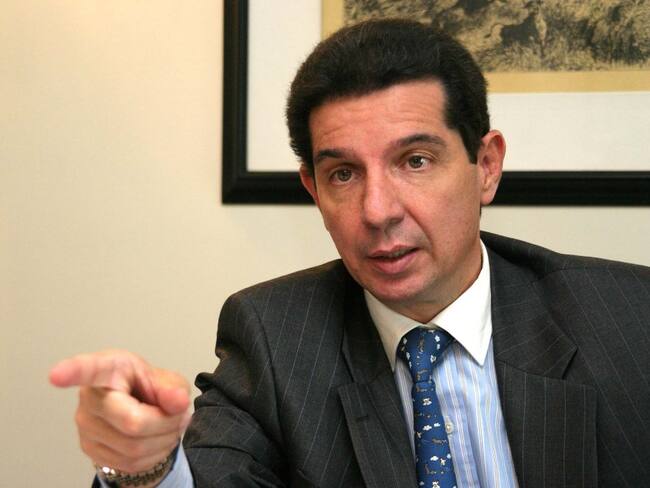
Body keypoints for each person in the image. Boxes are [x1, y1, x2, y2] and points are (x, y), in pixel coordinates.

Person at [49, 19, 649, 487]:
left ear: (486, 166)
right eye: (343, 174)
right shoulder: (274, 338)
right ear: (313, 189)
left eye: (415, 161)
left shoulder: (629, 320)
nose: (377, 210)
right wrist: (147, 465)